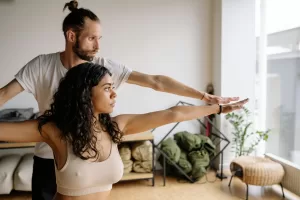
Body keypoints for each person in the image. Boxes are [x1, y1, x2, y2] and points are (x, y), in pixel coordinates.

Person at [0, 1, 239, 199]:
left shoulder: (105, 71)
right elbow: (3, 96)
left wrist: (206, 99)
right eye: (92, 38)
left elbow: (157, 84)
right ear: (72, 36)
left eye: (99, 38)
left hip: (91, 143)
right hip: (49, 154)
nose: (98, 46)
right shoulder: (43, 72)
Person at [0, 63, 249, 200]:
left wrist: (216, 108)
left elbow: (174, 113)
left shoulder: (117, 126)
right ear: (85, 93)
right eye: (107, 87)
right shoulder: (55, 131)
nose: (114, 93)